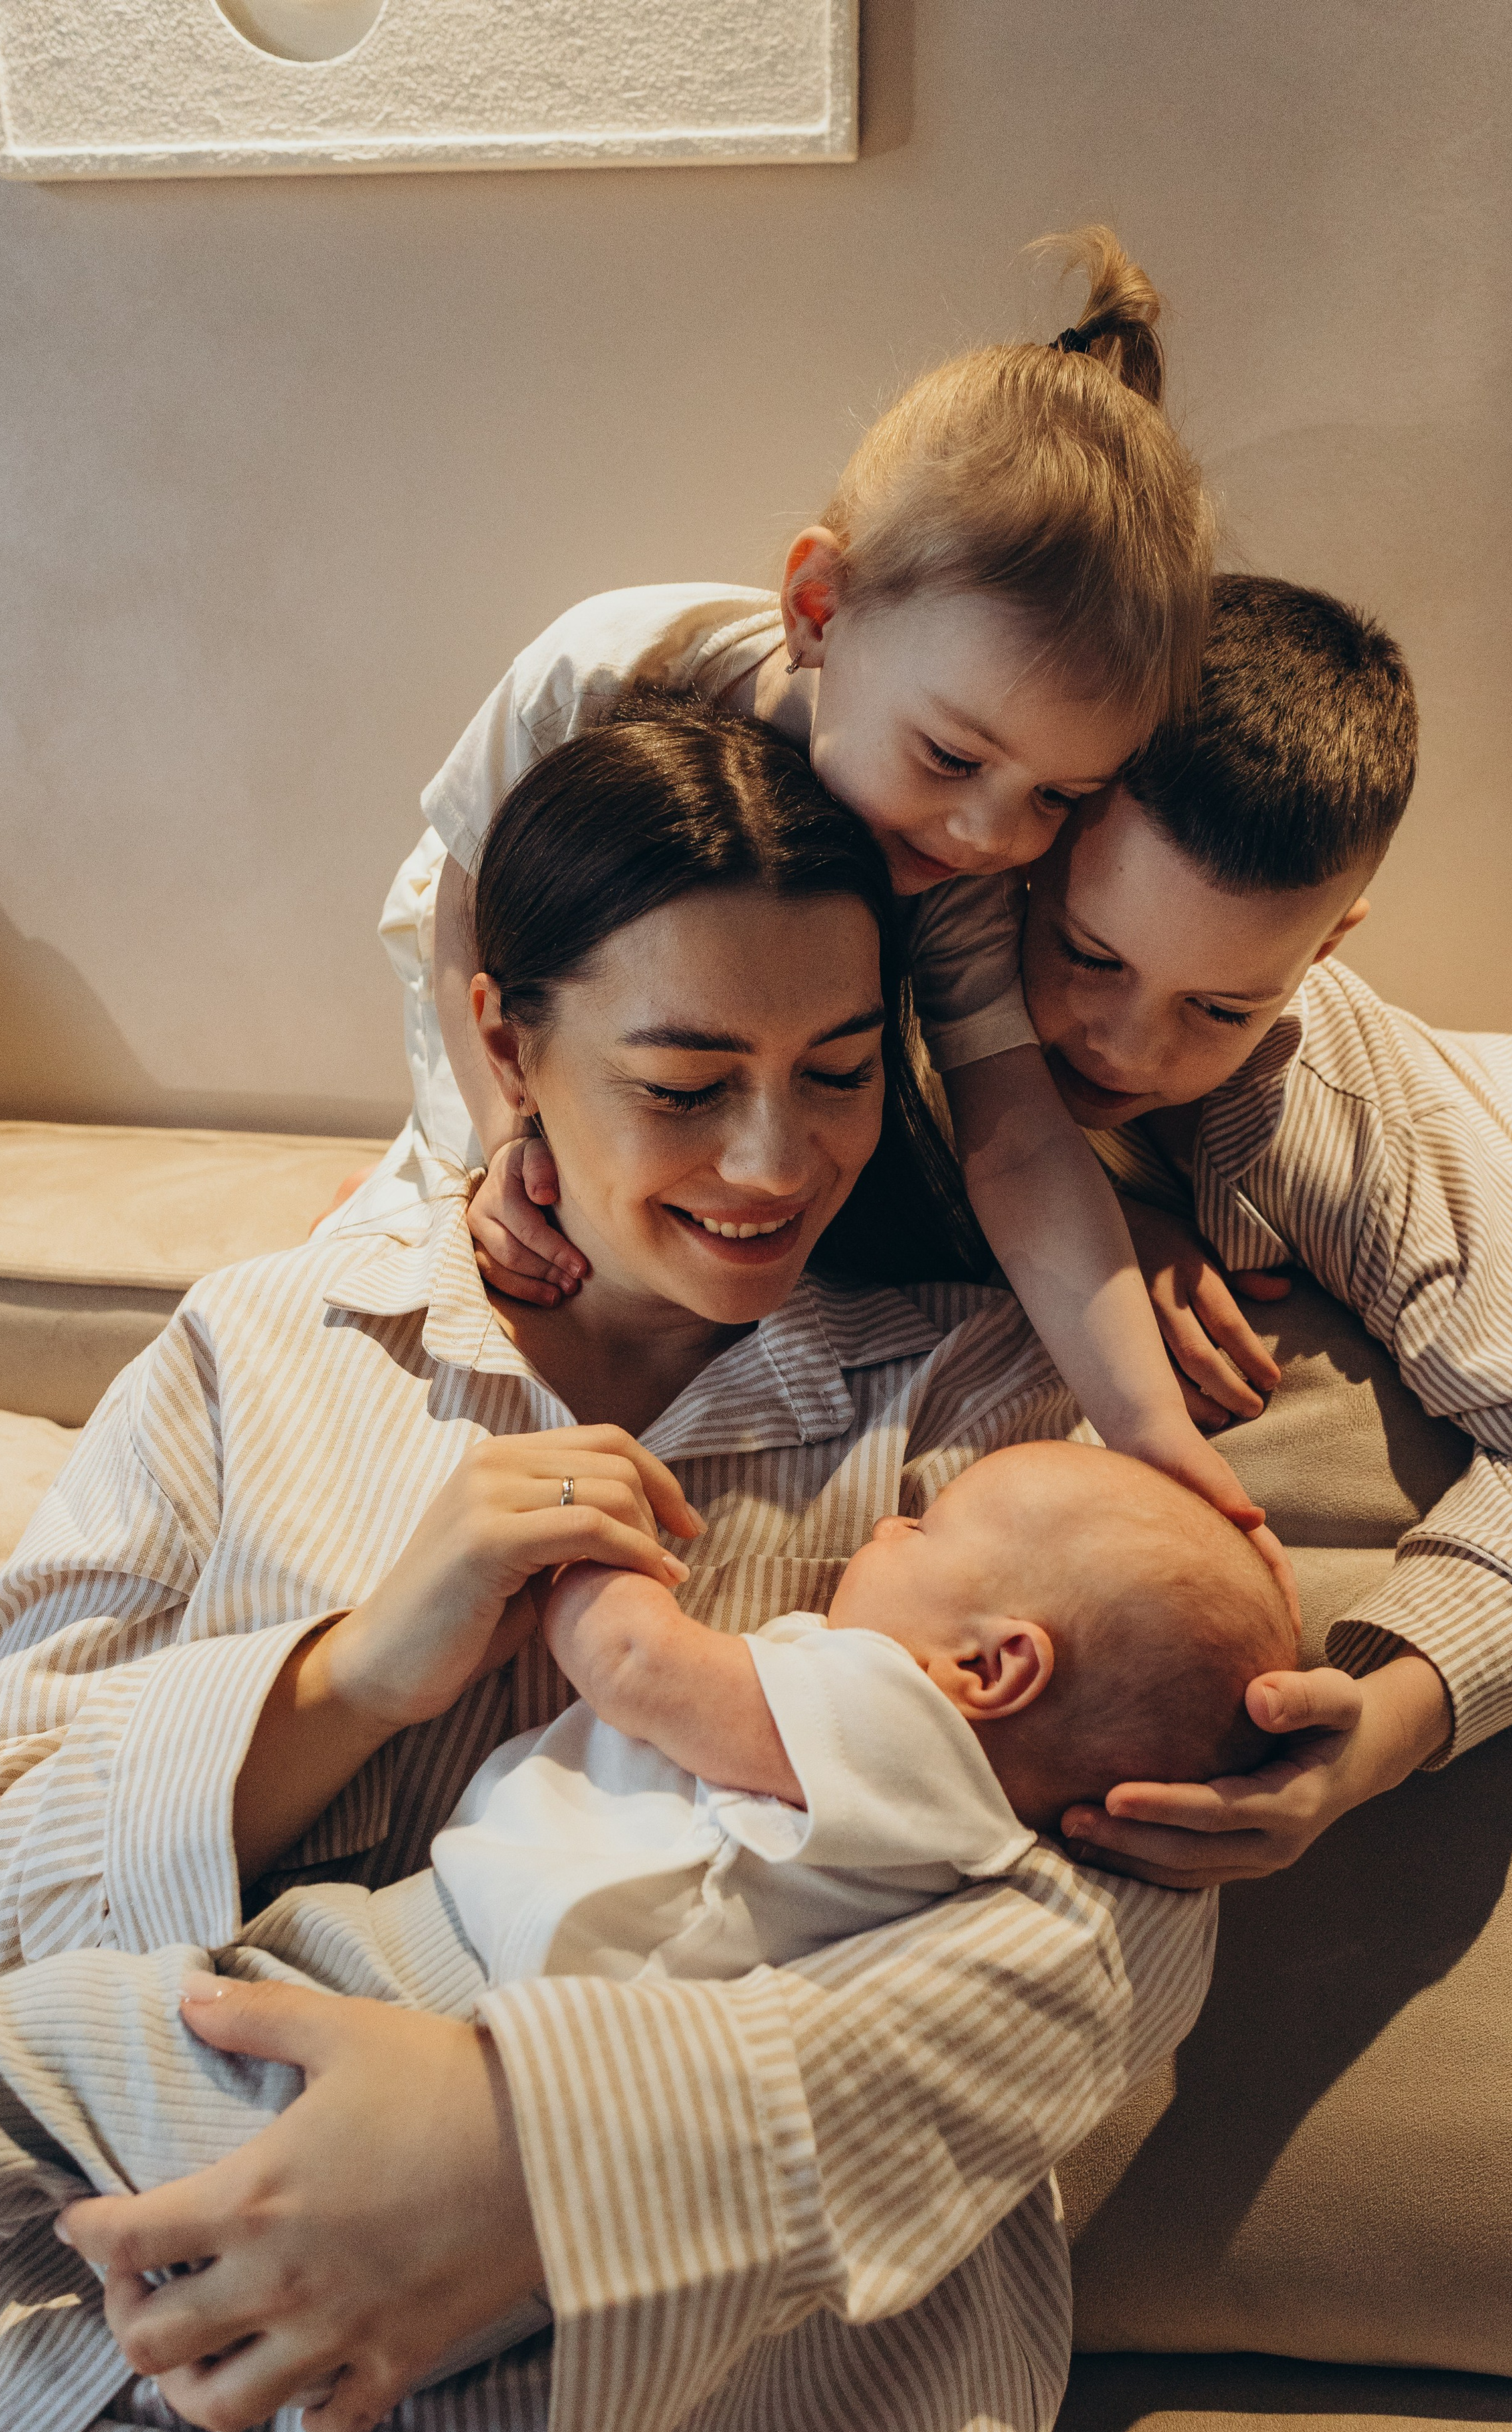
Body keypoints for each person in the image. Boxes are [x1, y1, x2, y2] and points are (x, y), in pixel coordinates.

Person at [0, 702, 1220, 2432]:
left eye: (845, 1071)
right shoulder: (265, 1348)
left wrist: (552, 2159)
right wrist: (348, 1678)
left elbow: (1108, 1957)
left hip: (690, 2402)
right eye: (688, 1084)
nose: (779, 1162)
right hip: (124, 2358)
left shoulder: (981, 1410)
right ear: (505, 1041)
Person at [0, 1444, 1293, 2409]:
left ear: (993, 1667)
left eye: (920, 1532)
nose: (883, 1534)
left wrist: (595, 1565)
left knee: (23, 2056)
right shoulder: (965, 1819)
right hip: (541, 2278)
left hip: (425, 1999)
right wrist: (353, 1669)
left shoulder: (891, 1714)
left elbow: (645, 1672)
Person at [321, 223, 1265, 1534]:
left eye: (1055, 796)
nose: (993, 834)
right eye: (950, 755)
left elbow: (1015, 1138)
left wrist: (1144, 1429)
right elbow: (464, 925)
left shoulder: (959, 870)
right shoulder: (598, 664)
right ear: (817, 610)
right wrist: (496, 1142)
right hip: (516, 972)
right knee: (484, 1221)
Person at [1011, 573, 1512, 1894]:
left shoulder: (1336, 1096)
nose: (1127, 1044)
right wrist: (1102, 1208)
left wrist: (1388, 1729)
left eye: (1219, 1007)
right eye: (1088, 954)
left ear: (1322, 948)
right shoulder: (920, 910)